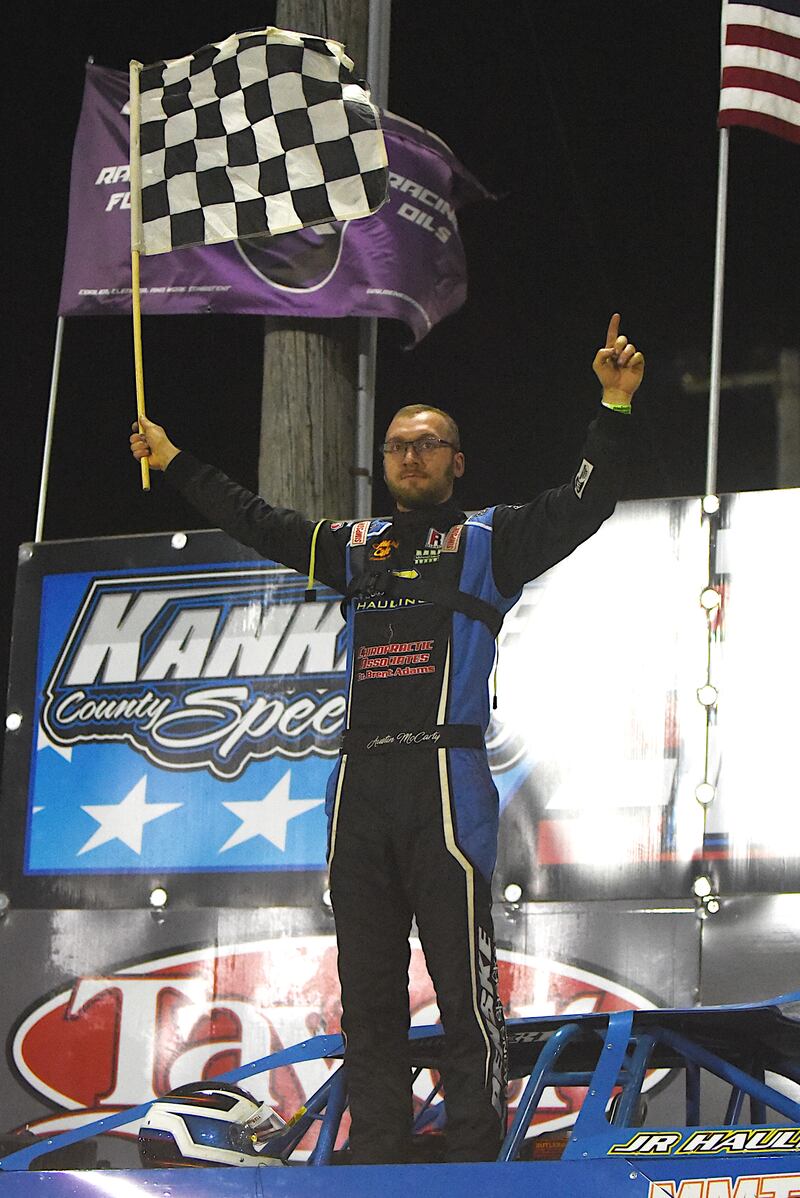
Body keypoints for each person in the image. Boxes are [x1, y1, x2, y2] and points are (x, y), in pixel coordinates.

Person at [130, 313, 644, 1164]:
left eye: (430, 443)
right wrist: (174, 457)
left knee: (462, 994)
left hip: (448, 779)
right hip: (360, 785)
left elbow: (587, 501)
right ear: (387, 461)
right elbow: (256, 519)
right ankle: (374, 1160)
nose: (412, 455)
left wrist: (614, 407)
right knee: (366, 998)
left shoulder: (490, 538)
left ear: (457, 462)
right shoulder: (352, 545)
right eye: (400, 444)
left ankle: (474, 1158)